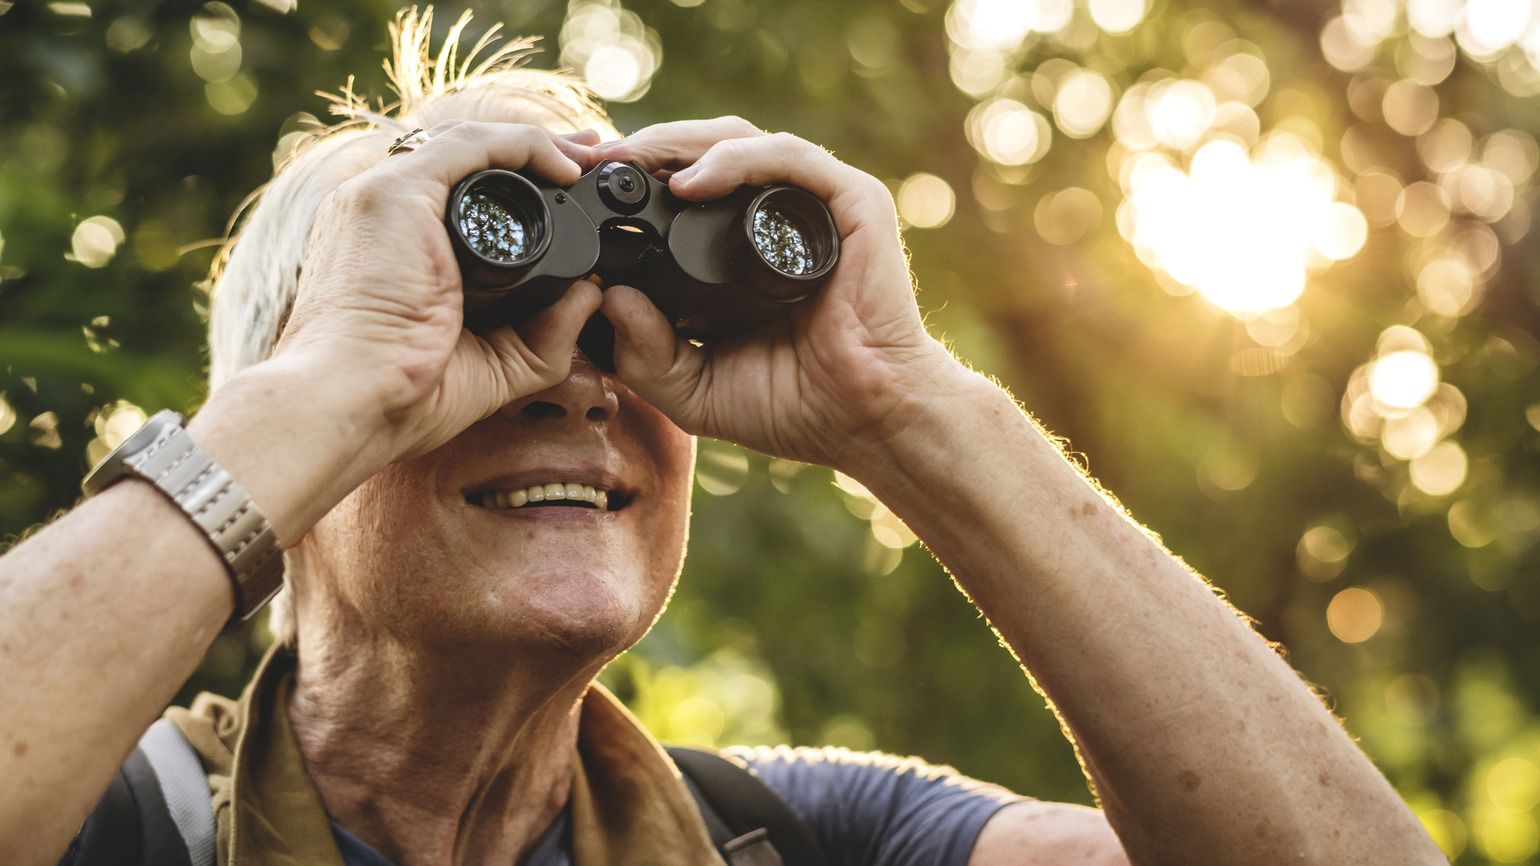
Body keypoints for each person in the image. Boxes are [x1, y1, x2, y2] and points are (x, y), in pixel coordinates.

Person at [0, 9, 1444, 866]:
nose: (574, 385)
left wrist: (907, 403)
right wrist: (330, 389)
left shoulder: (806, 842)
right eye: (465, 338)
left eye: (627, 329)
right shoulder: (118, 823)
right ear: (298, 406)